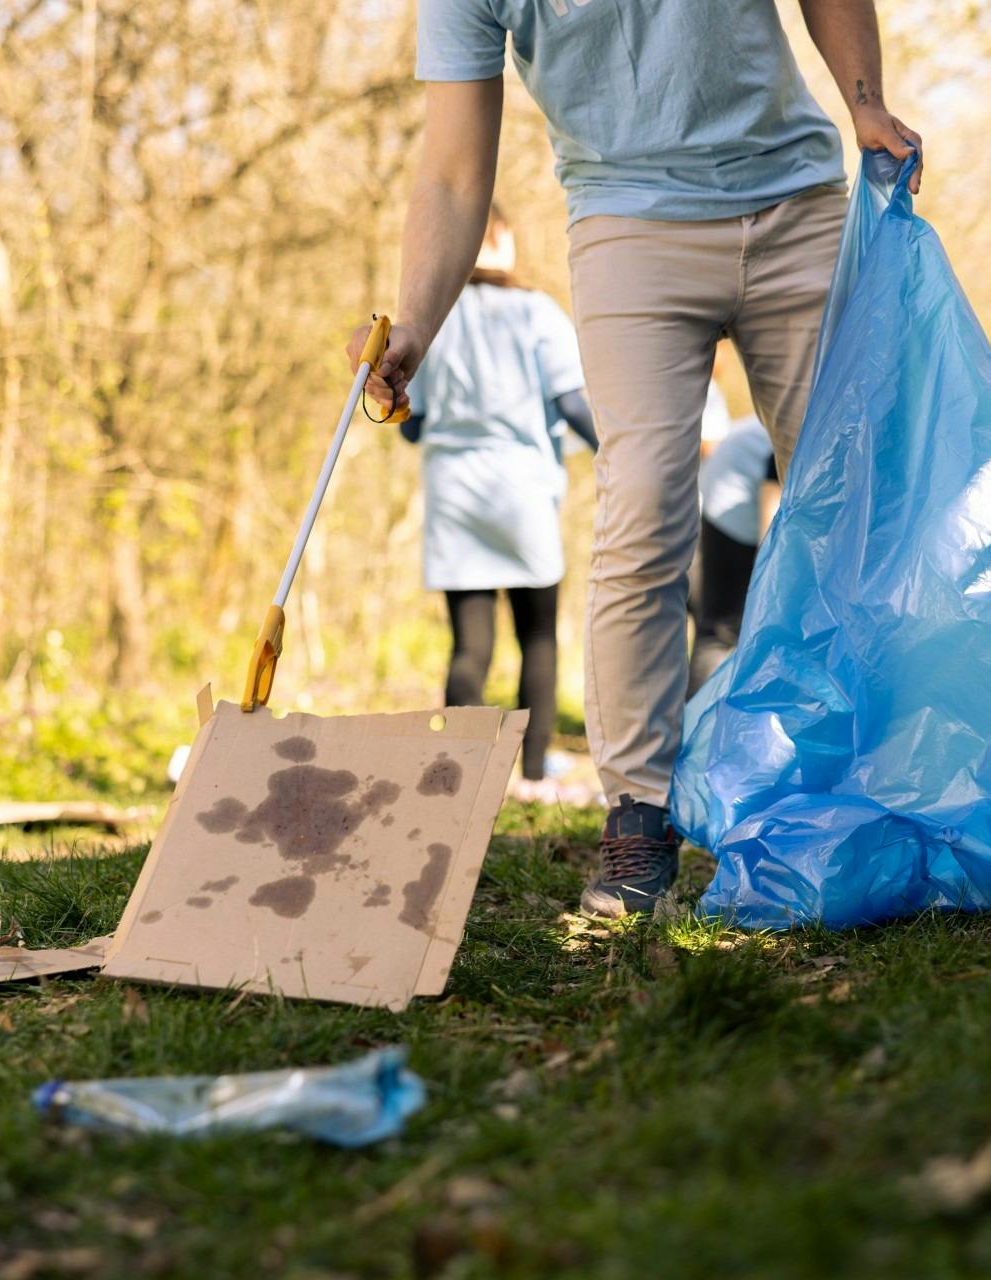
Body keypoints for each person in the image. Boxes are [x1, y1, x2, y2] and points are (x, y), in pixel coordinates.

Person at [352, 0, 922, 916]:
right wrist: (418, 319)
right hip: (628, 229)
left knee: (851, 503)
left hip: (795, 200)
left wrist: (864, 98)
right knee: (645, 506)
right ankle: (639, 822)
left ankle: (884, 786)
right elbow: (455, 175)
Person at [400, 207, 597, 803]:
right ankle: (533, 774)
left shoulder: (435, 323)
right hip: (522, 488)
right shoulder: (537, 312)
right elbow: (572, 401)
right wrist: (619, 454)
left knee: (470, 643)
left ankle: (457, 776)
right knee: (536, 635)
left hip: (455, 489)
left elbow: (414, 424)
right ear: (504, 241)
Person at [690, 411, 778, 697]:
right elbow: (773, 502)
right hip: (731, 502)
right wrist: (768, 570)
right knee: (721, 630)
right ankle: (694, 730)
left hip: (730, 480)